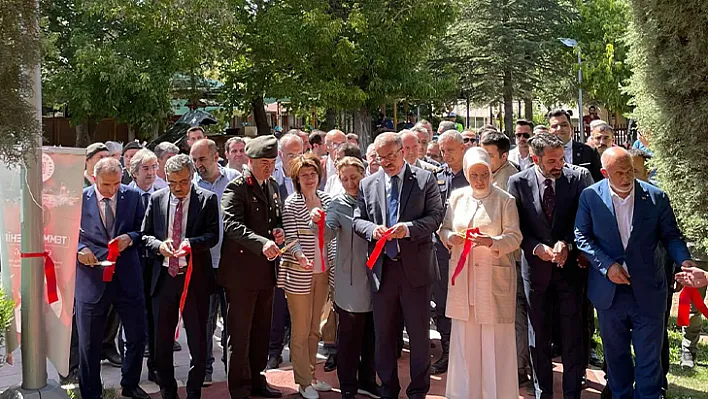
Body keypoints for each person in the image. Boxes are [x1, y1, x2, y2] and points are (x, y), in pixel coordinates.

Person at [574, 147, 696, 399]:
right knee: (616, 356)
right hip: (610, 294)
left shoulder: (656, 197)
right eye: (620, 172)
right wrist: (607, 266)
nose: (627, 177)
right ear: (604, 173)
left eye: (630, 170)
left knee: (649, 358)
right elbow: (582, 236)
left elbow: (671, 236)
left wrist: (685, 262)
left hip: (648, 291)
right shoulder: (590, 197)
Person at [353, 132, 444, 399]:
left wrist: (409, 229)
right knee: (384, 336)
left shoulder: (425, 179)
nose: (386, 163)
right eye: (381, 158)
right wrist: (372, 230)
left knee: (418, 336)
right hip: (383, 271)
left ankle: (418, 391)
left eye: (391, 156)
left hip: (416, 269)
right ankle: (388, 389)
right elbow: (358, 220)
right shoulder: (368, 184)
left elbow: (436, 216)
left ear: (402, 152)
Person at [507, 133, 593, 399]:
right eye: (552, 161)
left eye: (561, 159)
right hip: (536, 272)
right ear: (535, 159)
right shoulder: (518, 182)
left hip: (569, 271)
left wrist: (567, 243)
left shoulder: (576, 179)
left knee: (571, 334)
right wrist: (536, 248)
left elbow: (582, 220)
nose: (559, 165)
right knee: (538, 336)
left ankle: (571, 393)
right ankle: (543, 391)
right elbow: (515, 225)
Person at [438, 148, 522, 398]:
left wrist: (492, 242)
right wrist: (450, 237)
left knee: (494, 340)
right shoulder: (456, 197)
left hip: (493, 279)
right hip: (464, 281)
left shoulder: (505, 199)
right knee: (467, 339)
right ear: (466, 173)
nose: (479, 179)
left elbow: (515, 237)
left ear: (490, 172)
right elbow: (444, 229)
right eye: (473, 174)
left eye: (483, 173)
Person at [141, 154, 219, 399]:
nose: (177, 188)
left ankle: (194, 391)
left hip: (194, 279)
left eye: (183, 182)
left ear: (192, 176)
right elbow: (145, 236)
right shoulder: (157, 199)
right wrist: (159, 247)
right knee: (161, 341)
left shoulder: (207, 199)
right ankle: (168, 391)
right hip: (164, 278)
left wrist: (190, 244)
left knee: (197, 340)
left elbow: (213, 235)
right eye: (172, 182)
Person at [76, 157, 148, 399]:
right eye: (106, 185)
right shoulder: (78, 199)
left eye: (117, 184)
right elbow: (66, 234)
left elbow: (144, 230)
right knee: (89, 344)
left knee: (137, 335)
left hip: (127, 277)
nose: (112, 190)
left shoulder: (133, 196)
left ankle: (130, 384)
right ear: (94, 179)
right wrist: (79, 250)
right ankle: (91, 393)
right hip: (91, 279)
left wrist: (131, 237)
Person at [219, 135, 285, 399]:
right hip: (241, 274)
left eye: (271, 162)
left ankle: (257, 378)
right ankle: (239, 387)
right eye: (263, 162)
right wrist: (262, 242)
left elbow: (274, 219)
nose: (268, 167)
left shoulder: (272, 186)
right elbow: (232, 226)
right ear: (250, 160)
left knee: (260, 331)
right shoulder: (236, 188)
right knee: (240, 333)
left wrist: (277, 233)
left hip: (265, 271)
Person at [311, 156, 381, 399]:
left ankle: (368, 380)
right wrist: (318, 224)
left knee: (372, 334)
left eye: (355, 177)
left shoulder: (375, 199)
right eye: (345, 179)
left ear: (364, 174)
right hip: (350, 281)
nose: (351, 182)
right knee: (350, 338)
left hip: (377, 278)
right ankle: (348, 386)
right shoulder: (338, 204)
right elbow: (328, 232)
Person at [277, 154, 335, 399]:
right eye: (304, 175)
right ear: (296, 179)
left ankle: (311, 375)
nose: (309, 179)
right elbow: (290, 238)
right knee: (300, 330)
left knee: (314, 329)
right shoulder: (291, 203)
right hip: (299, 273)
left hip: (323, 272)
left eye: (313, 174)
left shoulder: (327, 200)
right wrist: (300, 257)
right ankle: (302, 381)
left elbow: (332, 233)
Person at [190, 139, 241, 384]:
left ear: (216, 156)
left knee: (232, 320)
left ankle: (232, 368)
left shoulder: (235, 179)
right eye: (195, 160)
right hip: (203, 263)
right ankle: (204, 368)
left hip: (231, 262)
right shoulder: (191, 186)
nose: (198, 164)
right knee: (205, 319)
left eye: (202, 159)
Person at [431, 130, 470, 375]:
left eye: (450, 150)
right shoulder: (436, 176)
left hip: (468, 249)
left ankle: (468, 350)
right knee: (443, 300)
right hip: (441, 248)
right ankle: (447, 349)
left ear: (463, 148)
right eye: (442, 151)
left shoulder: (472, 174)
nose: (446, 155)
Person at [268, 133, 304, 370]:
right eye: (290, 155)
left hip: (306, 251)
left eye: (299, 154)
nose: (295, 159)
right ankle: (273, 351)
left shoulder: (312, 176)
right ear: (280, 155)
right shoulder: (272, 181)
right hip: (280, 253)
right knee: (277, 306)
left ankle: (299, 351)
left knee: (301, 306)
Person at [127, 148, 161, 382]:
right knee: (134, 323)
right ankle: (130, 374)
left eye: (154, 167)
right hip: (132, 266)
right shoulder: (124, 196)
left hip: (158, 265)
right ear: (133, 172)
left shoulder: (164, 194)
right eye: (145, 169)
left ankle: (156, 368)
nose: (150, 173)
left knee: (157, 318)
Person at [547, 109, 603, 182]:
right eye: (555, 126)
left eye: (564, 125)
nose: (559, 129)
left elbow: (599, 180)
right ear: (549, 130)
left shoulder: (588, 151)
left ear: (571, 128)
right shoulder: (544, 153)